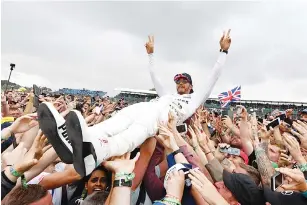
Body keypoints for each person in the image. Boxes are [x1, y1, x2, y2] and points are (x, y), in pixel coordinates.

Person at [37, 30, 232, 177]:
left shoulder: (195, 99)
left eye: (184, 82)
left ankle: (97, 153)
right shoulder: (167, 95)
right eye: (178, 82)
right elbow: (154, 77)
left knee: (132, 134)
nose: (180, 84)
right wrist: (151, 55)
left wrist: (223, 51)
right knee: (115, 120)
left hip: (161, 119)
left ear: (191, 86)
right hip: (147, 107)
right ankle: (72, 144)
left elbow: (212, 77)